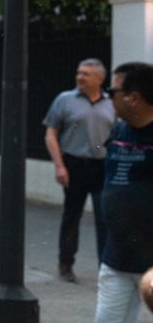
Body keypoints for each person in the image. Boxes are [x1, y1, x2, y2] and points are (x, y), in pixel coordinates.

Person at [47, 62, 153, 323]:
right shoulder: (120, 128)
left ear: (135, 98)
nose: (110, 97)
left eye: (117, 90)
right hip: (118, 254)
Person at [42, 58, 114, 283]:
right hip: (74, 164)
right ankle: (66, 264)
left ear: (100, 79)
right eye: (79, 73)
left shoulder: (112, 103)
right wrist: (59, 165)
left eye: (86, 74)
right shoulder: (65, 100)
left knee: (105, 218)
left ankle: (105, 267)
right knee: (71, 216)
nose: (80, 77)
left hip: (102, 166)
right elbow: (51, 133)